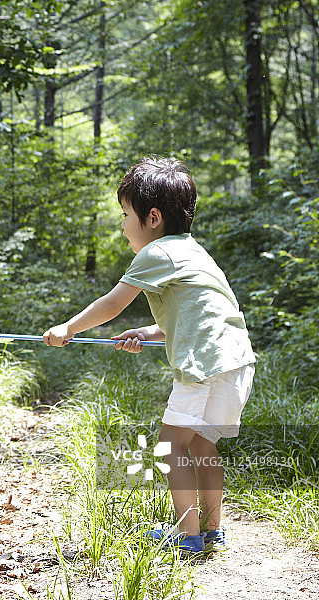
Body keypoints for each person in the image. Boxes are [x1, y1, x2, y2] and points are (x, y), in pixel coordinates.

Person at [43, 157, 255, 556]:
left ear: (152, 218)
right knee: (202, 446)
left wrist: (68, 328)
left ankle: (187, 536)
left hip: (204, 366)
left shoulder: (158, 252)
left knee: (171, 446)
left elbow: (113, 303)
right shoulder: (194, 251)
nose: (123, 225)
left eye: (126, 215)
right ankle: (212, 530)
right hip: (236, 361)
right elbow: (200, 316)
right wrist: (149, 332)